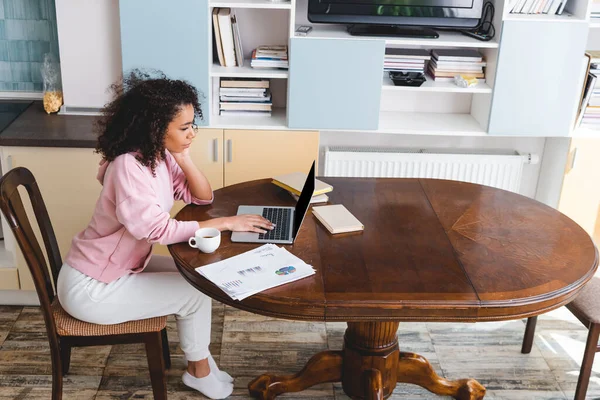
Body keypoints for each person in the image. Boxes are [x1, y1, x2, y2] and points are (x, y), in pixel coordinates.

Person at [56, 70, 274, 399]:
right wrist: (227, 223)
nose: (192, 133)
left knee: (199, 276)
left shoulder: (155, 157)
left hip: (117, 269)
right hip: (92, 288)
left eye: (191, 126)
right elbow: (154, 228)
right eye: (184, 128)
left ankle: (201, 361)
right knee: (194, 291)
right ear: (156, 128)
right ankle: (198, 371)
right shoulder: (128, 167)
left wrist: (183, 157)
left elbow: (201, 197)